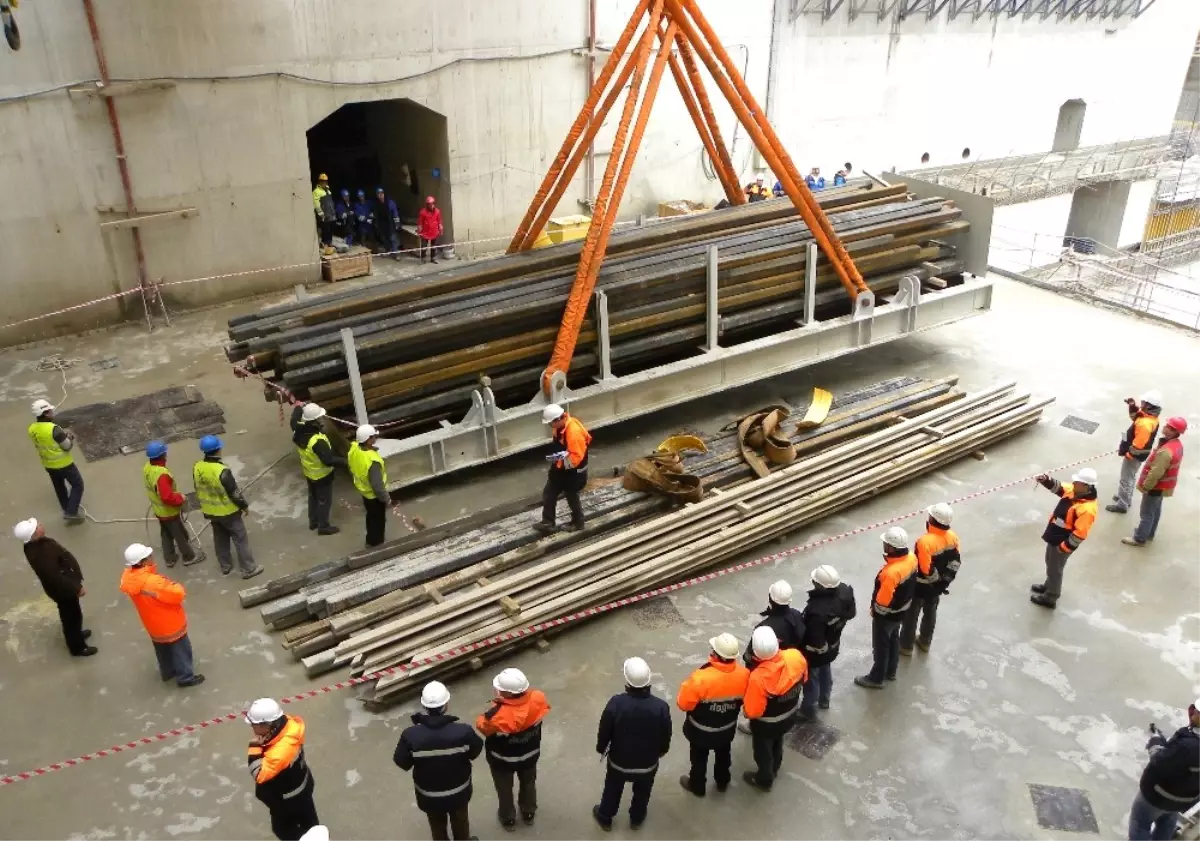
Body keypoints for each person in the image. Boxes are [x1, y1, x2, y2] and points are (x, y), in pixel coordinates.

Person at [393, 681, 484, 841]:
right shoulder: (463, 732)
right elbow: (475, 751)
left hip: (429, 796)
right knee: (460, 821)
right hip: (459, 792)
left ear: (424, 706)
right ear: (446, 705)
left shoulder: (411, 736)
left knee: (437, 825)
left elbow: (402, 762)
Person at [592, 657, 672, 831]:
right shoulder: (661, 707)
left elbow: (605, 730)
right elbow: (666, 734)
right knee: (643, 792)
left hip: (619, 763)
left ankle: (605, 817)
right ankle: (636, 819)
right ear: (649, 681)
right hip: (648, 765)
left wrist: (601, 748)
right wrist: (662, 751)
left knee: (613, 788)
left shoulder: (616, 703)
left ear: (626, 681)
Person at [475, 668, 550, 831]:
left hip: (502, 761)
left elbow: (482, 726)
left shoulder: (496, 716)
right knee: (529, 783)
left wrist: (495, 707)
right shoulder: (538, 698)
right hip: (530, 755)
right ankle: (528, 812)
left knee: (504, 789)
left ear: (508, 693)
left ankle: (508, 818)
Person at [119, 543, 204, 686]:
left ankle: (168, 672)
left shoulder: (128, 579)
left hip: (152, 624)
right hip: (170, 623)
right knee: (181, 650)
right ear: (143, 562)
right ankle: (185, 677)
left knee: (162, 650)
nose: (152, 557)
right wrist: (175, 585)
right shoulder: (153, 582)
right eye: (149, 556)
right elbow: (177, 594)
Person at [676, 632, 748, 797]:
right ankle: (722, 782)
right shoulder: (744, 675)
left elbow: (683, 704)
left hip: (700, 731)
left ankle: (697, 786)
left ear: (715, 654)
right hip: (726, 729)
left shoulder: (700, 678)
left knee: (699, 759)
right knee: (723, 755)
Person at [13, 517, 96, 657]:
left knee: (73, 614)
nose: (40, 523)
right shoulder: (40, 554)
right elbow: (56, 578)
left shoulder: (37, 544)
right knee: (71, 617)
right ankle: (77, 647)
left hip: (64, 587)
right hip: (63, 590)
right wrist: (76, 588)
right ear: (34, 535)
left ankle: (77, 635)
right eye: (37, 526)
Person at [742, 626, 807, 792]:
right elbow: (804, 678)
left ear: (755, 651)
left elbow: (753, 711)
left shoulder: (758, 677)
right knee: (778, 741)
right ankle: (775, 768)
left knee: (763, 751)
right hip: (789, 715)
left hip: (765, 724)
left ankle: (764, 779)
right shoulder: (795, 656)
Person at [246, 698, 319, 841]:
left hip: (288, 800)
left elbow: (259, 774)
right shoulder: (289, 727)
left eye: (254, 724)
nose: (252, 728)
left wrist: (254, 747)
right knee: (309, 821)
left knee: (282, 829)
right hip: (302, 787)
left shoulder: (278, 753)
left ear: (266, 725)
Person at [737, 579, 805, 733]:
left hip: (767, 671)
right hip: (789, 666)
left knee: (762, 698)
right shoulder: (796, 615)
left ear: (771, 599)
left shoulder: (764, 628)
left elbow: (750, 656)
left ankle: (754, 723)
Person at [1128, 701, 1200, 841]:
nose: (1194, 713)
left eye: (1197, 712)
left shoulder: (1187, 746)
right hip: (1185, 798)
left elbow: (1159, 762)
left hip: (1158, 795)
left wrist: (1155, 741)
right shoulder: (1188, 743)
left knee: (1140, 825)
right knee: (1167, 821)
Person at [855, 527, 917, 689]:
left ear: (891, 548)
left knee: (881, 647)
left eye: (886, 544)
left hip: (886, 617)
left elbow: (882, 602)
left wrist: (875, 612)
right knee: (893, 639)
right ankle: (891, 671)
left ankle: (876, 678)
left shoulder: (890, 573)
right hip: (902, 611)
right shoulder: (911, 559)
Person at [193, 435, 262, 579]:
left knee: (220, 539)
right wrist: (244, 506)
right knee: (240, 539)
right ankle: (249, 569)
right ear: (218, 450)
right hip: (228, 512)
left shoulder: (197, 467)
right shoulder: (222, 471)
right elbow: (234, 493)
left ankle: (225, 566)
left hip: (211, 512)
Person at [1030, 468, 1098, 608]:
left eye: (1077, 481)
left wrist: (1064, 548)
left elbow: (1080, 534)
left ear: (1086, 485)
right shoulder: (1075, 491)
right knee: (1050, 564)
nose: (1074, 482)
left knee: (1055, 569)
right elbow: (1060, 487)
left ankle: (1050, 597)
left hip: (1062, 542)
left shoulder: (1087, 509)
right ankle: (1048, 586)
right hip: (1055, 536)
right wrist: (1046, 480)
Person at [900, 503, 960, 655]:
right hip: (937, 587)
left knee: (911, 615)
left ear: (933, 520)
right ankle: (925, 641)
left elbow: (926, 568)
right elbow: (955, 561)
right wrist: (944, 581)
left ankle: (906, 646)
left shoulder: (924, 542)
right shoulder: (953, 537)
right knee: (931, 612)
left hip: (920, 587)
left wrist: (935, 583)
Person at [798, 565, 855, 718]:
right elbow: (852, 613)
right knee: (825, 670)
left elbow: (814, 642)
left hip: (816, 653)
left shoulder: (817, 611)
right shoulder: (845, 591)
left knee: (812, 679)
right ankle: (825, 699)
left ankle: (808, 710)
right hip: (832, 644)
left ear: (819, 585)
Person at [1124, 416, 1186, 547]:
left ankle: (1140, 538)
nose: (1164, 427)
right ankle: (1149, 534)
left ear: (1174, 431)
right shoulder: (1177, 445)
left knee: (1146, 513)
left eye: (1168, 426)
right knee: (1155, 510)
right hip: (1163, 487)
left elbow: (1155, 473)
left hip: (1155, 487)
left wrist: (1146, 487)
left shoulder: (1166, 451)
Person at [144, 440, 204, 567]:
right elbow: (166, 497)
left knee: (166, 533)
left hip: (159, 511)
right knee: (180, 534)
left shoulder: (148, 468)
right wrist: (180, 499)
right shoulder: (162, 474)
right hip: (169, 511)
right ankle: (189, 557)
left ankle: (169, 558)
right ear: (162, 455)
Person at [533, 404, 591, 535]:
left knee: (572, 495)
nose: (549, 426)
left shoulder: (573, 432)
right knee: (549, 492)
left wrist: (560, 464)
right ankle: (548, 522)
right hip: (561, 467)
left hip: (573, 471)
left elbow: (576, 458)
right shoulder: (560, 428)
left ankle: (578, 522)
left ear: (558, 420)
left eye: (550, 423)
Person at [290, 404, 345, 536]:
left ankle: (313, 522)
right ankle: (323, 526)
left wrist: (298, 407)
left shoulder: (298, 431)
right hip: (322, 475)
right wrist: (346, 462)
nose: (322, 420)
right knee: (324, 501)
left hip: (310, 473)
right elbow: (328, 460)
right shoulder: (317, 441)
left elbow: (293, 420)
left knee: (313, 497)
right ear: (315, 421)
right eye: (320, 418)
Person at [28, 398, 84, 524]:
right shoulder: (54, 429)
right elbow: (67, 446)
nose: (53, 412)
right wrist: (69, 437)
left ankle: (66, 508)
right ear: (46, 413)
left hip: (48, 464)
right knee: (78, 485)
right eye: (50, 411)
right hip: (64, 464)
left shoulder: (32, 429)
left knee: (59, 487)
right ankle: (71, 512)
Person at [1108, 391, 1162, 514]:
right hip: (1139, 454)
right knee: (1129, 477)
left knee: (1126, 478)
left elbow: (1139, 443)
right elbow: (1136, 417)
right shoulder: (1149, 417)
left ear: (1148, 405)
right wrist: (1132, 406)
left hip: (1135, 455)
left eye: (1143, 402)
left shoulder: (1145, 423)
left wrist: (1130, 454)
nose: (1141, 403)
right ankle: (1125, 498)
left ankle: (1122, 504)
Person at [348, 424, 391, 548]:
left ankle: (370, 541)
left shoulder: (354, 448)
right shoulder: (372, 462)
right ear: (368, 440)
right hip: (374, 496)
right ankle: (377, 545)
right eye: (373, 437)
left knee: (371, 518)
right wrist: (386, 499)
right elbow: (377, 486)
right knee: (378, 521)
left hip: (365, 493)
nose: (375, 439)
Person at [372, 186, 401, 258]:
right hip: (382, 224)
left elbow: (395, 213)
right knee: (384, 238)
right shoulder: (376, 204)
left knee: (393, 238)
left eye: (382, 193)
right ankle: (388, 250)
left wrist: (397, 223)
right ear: (377, 195)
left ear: (384, 194)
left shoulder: (390, 202)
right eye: (378, 194)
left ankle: (396, 254)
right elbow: (375, 214)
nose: (380, 195)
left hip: (390, 223)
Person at [312, 174, 335, 256]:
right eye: (323, 181)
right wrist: (321, 213)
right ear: (320, 182)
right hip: (324, 215)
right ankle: (325, 245)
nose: (324, 183)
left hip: (331, 214)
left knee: (331, 229)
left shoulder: (328, 190)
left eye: (325, 181)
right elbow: (316, 204)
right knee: (325, 230)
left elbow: (330, 202)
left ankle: (330, 243)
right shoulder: (316, 192)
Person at [418, 196, 444, 264]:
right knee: (424, 246)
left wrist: (440, 229)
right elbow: (420, 223)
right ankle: (423, 258)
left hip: (434, 231)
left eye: (432, 203)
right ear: (427, 204)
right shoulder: (422, 212)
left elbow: (439, 221)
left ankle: (432, 258)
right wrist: (419, 232)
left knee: (433, 246)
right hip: (425, 232)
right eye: (429, 204)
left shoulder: (437, 211)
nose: (431, 205)